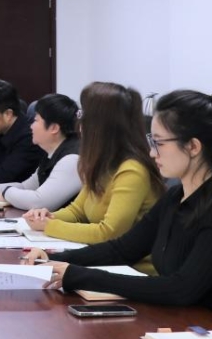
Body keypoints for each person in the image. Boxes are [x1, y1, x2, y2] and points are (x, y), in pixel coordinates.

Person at [32, 90, 212, 323]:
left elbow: (181, 288)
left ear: (193, 147)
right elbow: (124, 249)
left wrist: (80, 275)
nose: (152, 153)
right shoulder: (175, 197)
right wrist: (54, 258)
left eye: (159, 143)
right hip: (179, 321)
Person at [23, 82, 162, 250]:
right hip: (100, 255)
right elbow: (77, 211)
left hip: (129, 263)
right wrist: (47, 216)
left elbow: (109, 233)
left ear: (101, 125)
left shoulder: (132, 170)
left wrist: (49, 226)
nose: (80, 123)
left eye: (84, 114)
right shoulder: (103, 162)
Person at [0, 93, 81, 211]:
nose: (31, 126)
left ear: (54, 128)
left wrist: (5, 194)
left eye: (36, 120)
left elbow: (40, 201)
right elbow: (26, 187)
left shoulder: (72, 159)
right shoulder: (51, 153)